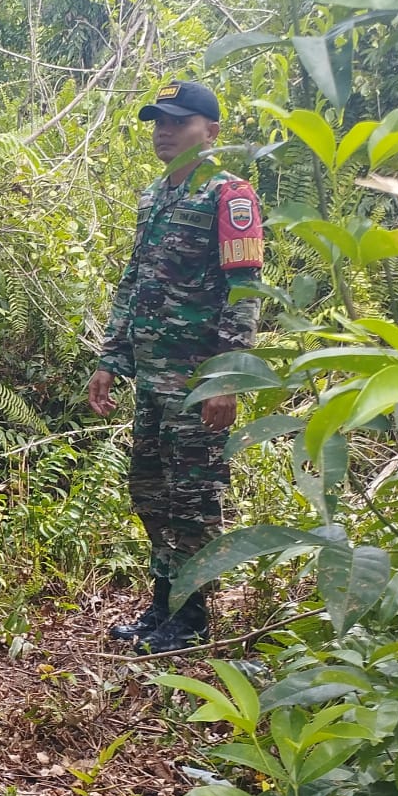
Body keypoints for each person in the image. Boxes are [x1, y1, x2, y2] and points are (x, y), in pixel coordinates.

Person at [87, 81, 263, 654]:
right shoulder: (155, 197)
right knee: (151, 493)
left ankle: (191, 618)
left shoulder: (229, 197)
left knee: (193, 501)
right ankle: (163, 605)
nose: (164, 131)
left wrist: (227, 379)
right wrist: (110, 359)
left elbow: (244, 289)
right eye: (159, 121)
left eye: (179, 121)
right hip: (153, 381)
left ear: (211, 132)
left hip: (196, 383)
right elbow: (134, 281)